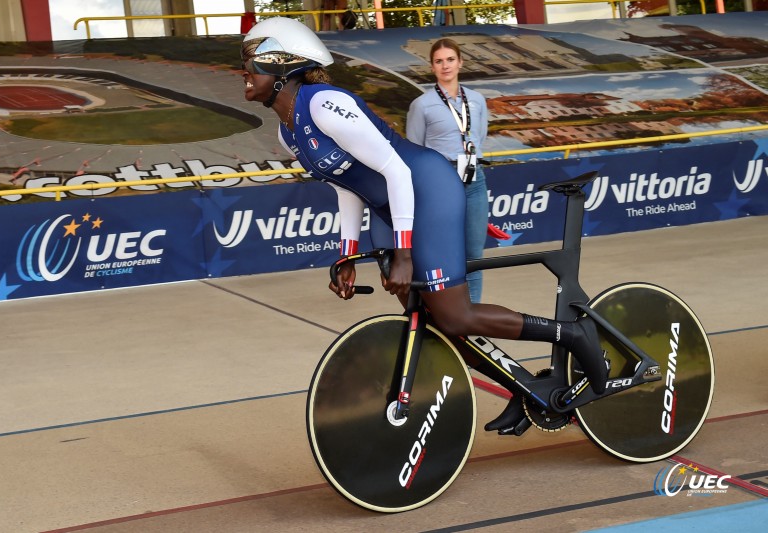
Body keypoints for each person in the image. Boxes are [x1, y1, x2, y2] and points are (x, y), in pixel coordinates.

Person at [239, 17, 609, 435]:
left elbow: (395, 169)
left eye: (254, 65)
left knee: (455, 316)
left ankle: (573, 334)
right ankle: (524, 390)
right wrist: (346, 255)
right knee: (429, 322)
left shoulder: (322, 104)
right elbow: (346, 187)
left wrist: (404, 252)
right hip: (388, 209)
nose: (245, 74)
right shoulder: (289, 133)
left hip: (425, 190)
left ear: (283, 67)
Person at [406, 38, 488, 303]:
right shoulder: (422, 104)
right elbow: (415, 151)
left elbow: (479, 136)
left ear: (460, 62)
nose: (445, 66)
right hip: (441, 183)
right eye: (439, 61)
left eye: (450, 59)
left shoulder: (476, 100)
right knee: (442, 253)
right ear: (432, 67)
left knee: (473, 254)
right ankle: (444, 311)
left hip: (474, 179)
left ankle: (471, 313)